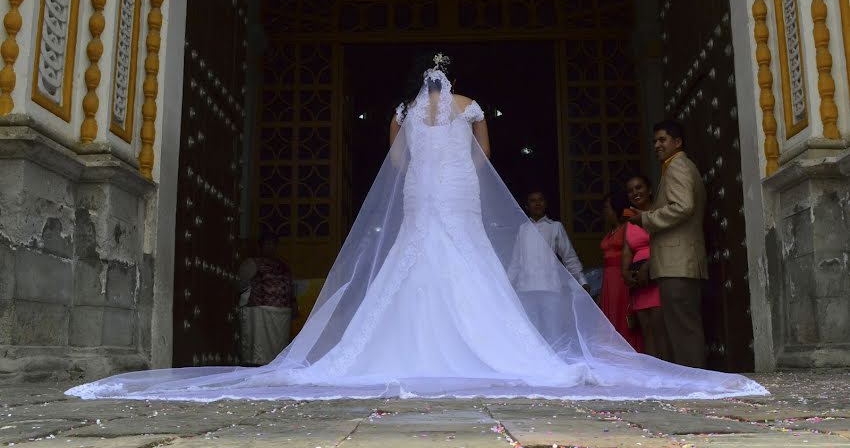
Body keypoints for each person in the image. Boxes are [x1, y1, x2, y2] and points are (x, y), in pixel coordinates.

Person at [66, 54, 764, 402]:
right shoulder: (470, 106)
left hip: (428, 196)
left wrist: (415, 167)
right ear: (450, 80)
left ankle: (385, 350)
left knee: (415, 257)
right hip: (457, 194)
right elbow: (486, 163)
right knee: (467, 263)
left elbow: (395, 165)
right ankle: (496, 350)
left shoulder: (404, 111)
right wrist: (457, 165)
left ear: (418, 82)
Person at [629, 120, 708, 369]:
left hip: (678, 263)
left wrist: (646, 218)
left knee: (683, 328)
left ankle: (695, 381)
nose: (657, 145)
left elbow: (683, 206)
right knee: (681, 327)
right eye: (654, 141)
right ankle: (691, 379)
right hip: (678, 263)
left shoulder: (678, 167)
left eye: (662, 139)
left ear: (678, 142)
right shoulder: (673, 167)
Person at [507, 191, 587, 348]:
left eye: (540, 200)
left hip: (550, 289)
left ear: (545, 203)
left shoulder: (555, 227)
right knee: (531, 332)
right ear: (526, 206)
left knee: (553, 332)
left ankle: (555, 368)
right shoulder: (523, 229)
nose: (537, 203)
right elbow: (516, 262)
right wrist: (506, 285)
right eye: (532, 201)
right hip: (526, 290)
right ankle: (536, 368)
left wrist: (581, 280)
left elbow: (568, 256)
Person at [621, 174, 669, 360]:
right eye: (631, 190)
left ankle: (668, 374)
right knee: (646, 331)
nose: (635, 192)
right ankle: (654, 377)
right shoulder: (630, 221)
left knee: (660, 329)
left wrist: (648, 266)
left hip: (656, 274)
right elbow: (627, 251)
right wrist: (625, 273)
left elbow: (664, 242)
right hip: (639, 284)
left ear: (649, 190)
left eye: (639, 187)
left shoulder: (658, 214)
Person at [237, 236, 297, 366]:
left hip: (282, 313)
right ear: (260, 246)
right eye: (267, 244)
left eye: (272, 244)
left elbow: (291, 288)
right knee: (259, 349)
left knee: (277, 349)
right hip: (260, 310)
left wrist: (293, 305)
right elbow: (242, 284)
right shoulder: (252, 263)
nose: (270, 247)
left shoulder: (283, 265)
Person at [600, 191, 643, 352]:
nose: (605, 211)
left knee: (622, 315)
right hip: (609, 280)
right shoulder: (611, 231)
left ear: (616, 208)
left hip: (621, 278)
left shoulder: (627, 227)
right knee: (610, 316)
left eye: (607, 207)